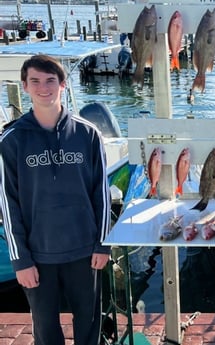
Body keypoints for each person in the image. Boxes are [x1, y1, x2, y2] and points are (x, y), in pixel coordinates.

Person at [0, 54, 111, 345]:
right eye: (35, 81)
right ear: (24, 86)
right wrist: (20, 259)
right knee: (46, 329)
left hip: (85, 251)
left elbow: (101, 194)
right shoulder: (11, 141)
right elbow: (8, 205)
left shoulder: (88, 134)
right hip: (38, 255)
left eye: (50, 80)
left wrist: (102, 243)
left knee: (89, 324)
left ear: (63, 84)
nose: (43, 87)